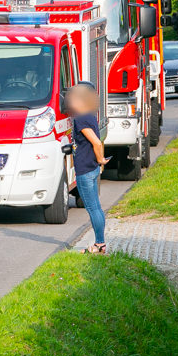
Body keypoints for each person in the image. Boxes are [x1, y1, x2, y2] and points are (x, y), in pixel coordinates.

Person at [67, 82, 110, 254]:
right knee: (97, 207)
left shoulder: (81, 119)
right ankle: (100, 242)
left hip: (85, 169)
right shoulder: (91, 116)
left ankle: (99, 244)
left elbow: (96, 142)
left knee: (93, 208)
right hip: (91, 168)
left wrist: (101, 159)